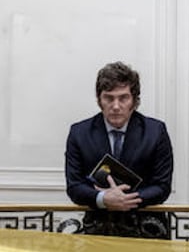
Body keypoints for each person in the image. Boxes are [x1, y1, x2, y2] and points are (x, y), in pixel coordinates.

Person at [65, 62, 173, 238]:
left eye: (123, 98)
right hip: (98, 230)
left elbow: (162, 186)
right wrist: (103, 199)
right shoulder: (79, 133)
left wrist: (123, 200)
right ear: (99, 100)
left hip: (146, 230)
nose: (115, 106)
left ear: (134, 100)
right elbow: (74, 186)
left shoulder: (155, 131)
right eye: (109, 98)